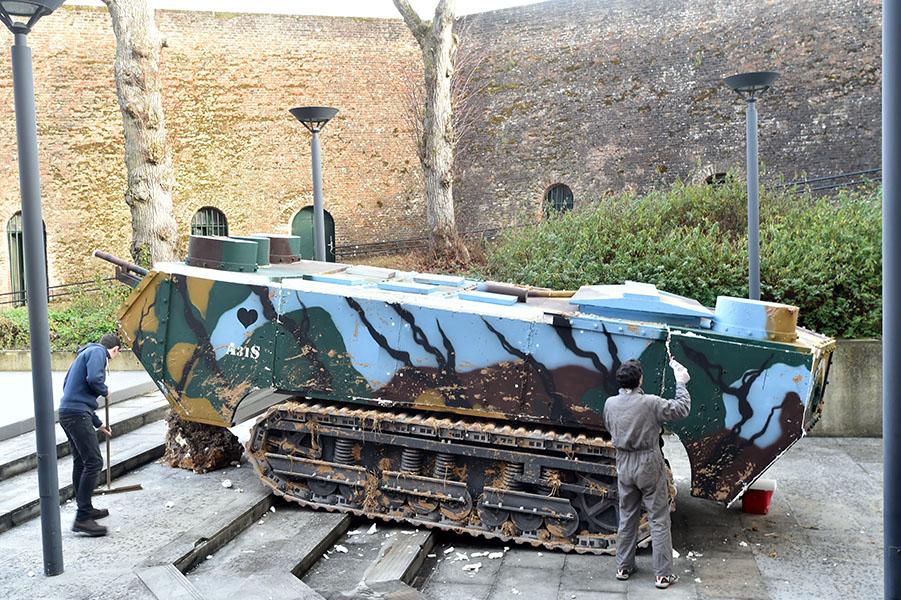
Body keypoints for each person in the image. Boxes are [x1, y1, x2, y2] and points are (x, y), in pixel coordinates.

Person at [603, 358, 691, 589]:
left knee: (627, 516)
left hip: (624, 463)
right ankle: (662, 575)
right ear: (640, 379)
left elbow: (610, 427)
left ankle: (623, 567)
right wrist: (681, 383)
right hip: (648, 462)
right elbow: (681, 409)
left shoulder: (610, 403)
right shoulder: (650, 403)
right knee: (659, 519)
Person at [58, 333, 121, 537]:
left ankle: (85, 507)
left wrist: (98, 423)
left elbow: (70, 389)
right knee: (94, 462)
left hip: (69, 412)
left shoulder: (82, 355)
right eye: (117, 353)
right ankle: (83, 518)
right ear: (115, 349)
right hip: (77, 415)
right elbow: (94, 379)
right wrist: (105, 390)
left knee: (81, 462)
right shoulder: (98, 352)